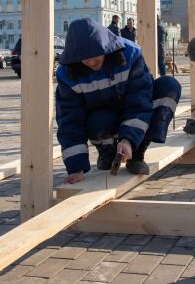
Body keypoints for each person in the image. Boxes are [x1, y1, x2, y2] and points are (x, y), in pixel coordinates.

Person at [56, 17, 181, 183]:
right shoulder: (67, 74)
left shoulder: (130, 54)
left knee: (169, 86)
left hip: (130, 109)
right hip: (102, 118)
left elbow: (139, 101)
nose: (92, 63)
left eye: (96, 57)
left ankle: (137, 152)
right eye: (86, 59)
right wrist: (75, 167)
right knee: (98, 120)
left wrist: (128, 139)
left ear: (106, 48)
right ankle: (107, 153)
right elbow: (69, 120)